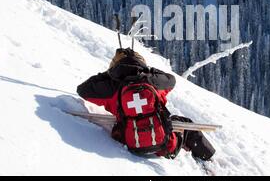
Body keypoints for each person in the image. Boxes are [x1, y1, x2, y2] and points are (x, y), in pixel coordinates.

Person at [77, 48, 215, 161]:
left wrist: (108, 74)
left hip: (127, 142)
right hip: (165, 145)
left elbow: (83, 89)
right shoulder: (153, 81)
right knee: (186, 124)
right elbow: (171, 80)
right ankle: (207, 157)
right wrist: (149, 71)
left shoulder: (111, 86)